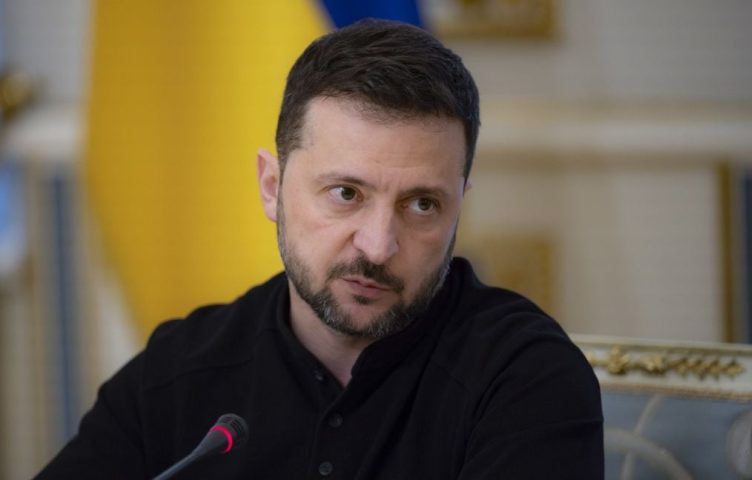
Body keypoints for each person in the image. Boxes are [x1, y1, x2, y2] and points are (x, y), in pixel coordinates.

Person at [37, 19, 603, 479]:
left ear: (459, 207)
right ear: (272, 187)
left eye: (422, 205)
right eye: (346, 194)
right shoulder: (179, 372)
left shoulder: (526, 379)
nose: (377, 246)